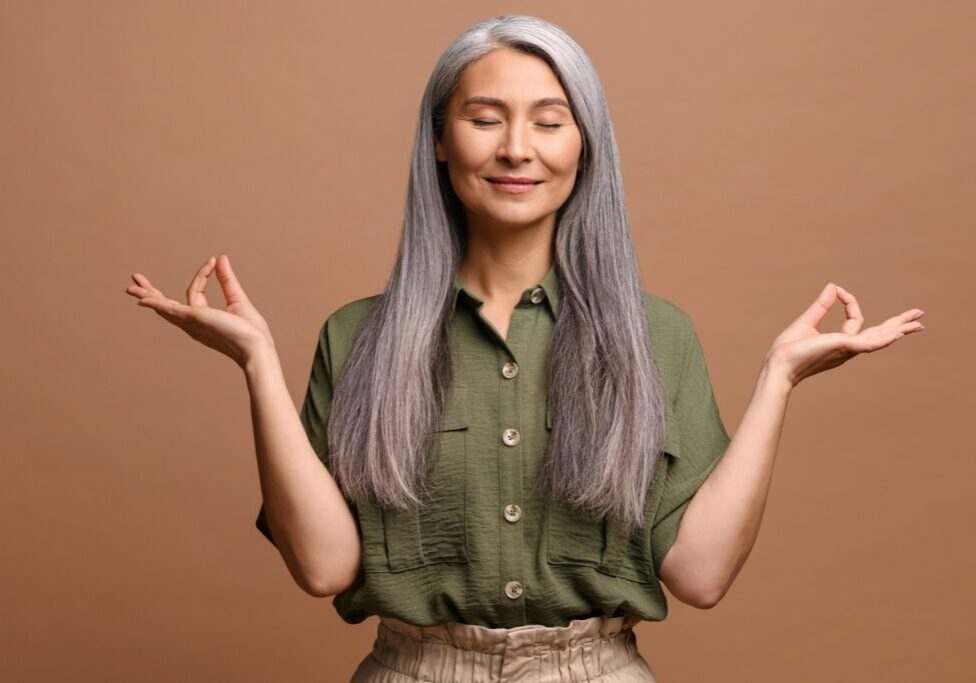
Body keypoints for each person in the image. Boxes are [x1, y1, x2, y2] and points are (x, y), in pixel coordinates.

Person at [125, 14, 926, 683]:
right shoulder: (355, 336)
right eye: (484, 119)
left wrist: (779, 378)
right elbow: (324, 568)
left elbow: (701, 574)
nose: (517, 149)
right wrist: (257, 363)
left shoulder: (659, 335)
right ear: (440, 141)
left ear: (585, 147)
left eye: (549, 121)